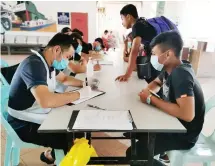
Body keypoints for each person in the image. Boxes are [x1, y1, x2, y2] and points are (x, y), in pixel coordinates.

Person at [6, 33, 93, 164]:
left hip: (34, 113)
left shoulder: (49, 64)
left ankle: (51, 155)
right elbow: (46, 101)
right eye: (67, 57)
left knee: (76, 128)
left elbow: (64, 79)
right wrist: (79, 94)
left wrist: (85, 85)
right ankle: (56, 156)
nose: (67, 61)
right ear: (57, 49)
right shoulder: (34, 65)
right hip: (21, 123)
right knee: (70, 136)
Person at [126, 31, 205, 166]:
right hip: (173, 124)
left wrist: (151, 99)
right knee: (135, 133)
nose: (152, 57)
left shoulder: (181, 74)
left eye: (154, 54)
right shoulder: (170, 69)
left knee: (135, 153)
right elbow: (156, 83)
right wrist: (147, 91)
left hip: (184, 135)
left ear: (167, 54)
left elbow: (187, 114)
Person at [116, 4, 175, 82]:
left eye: (122, 18)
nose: (122, 22)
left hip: (163, 56)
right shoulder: (143, 23)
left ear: (128, 17)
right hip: (168, 52)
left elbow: (134, 51)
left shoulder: (136, 26)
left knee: (156, 82)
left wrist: (127, 74)